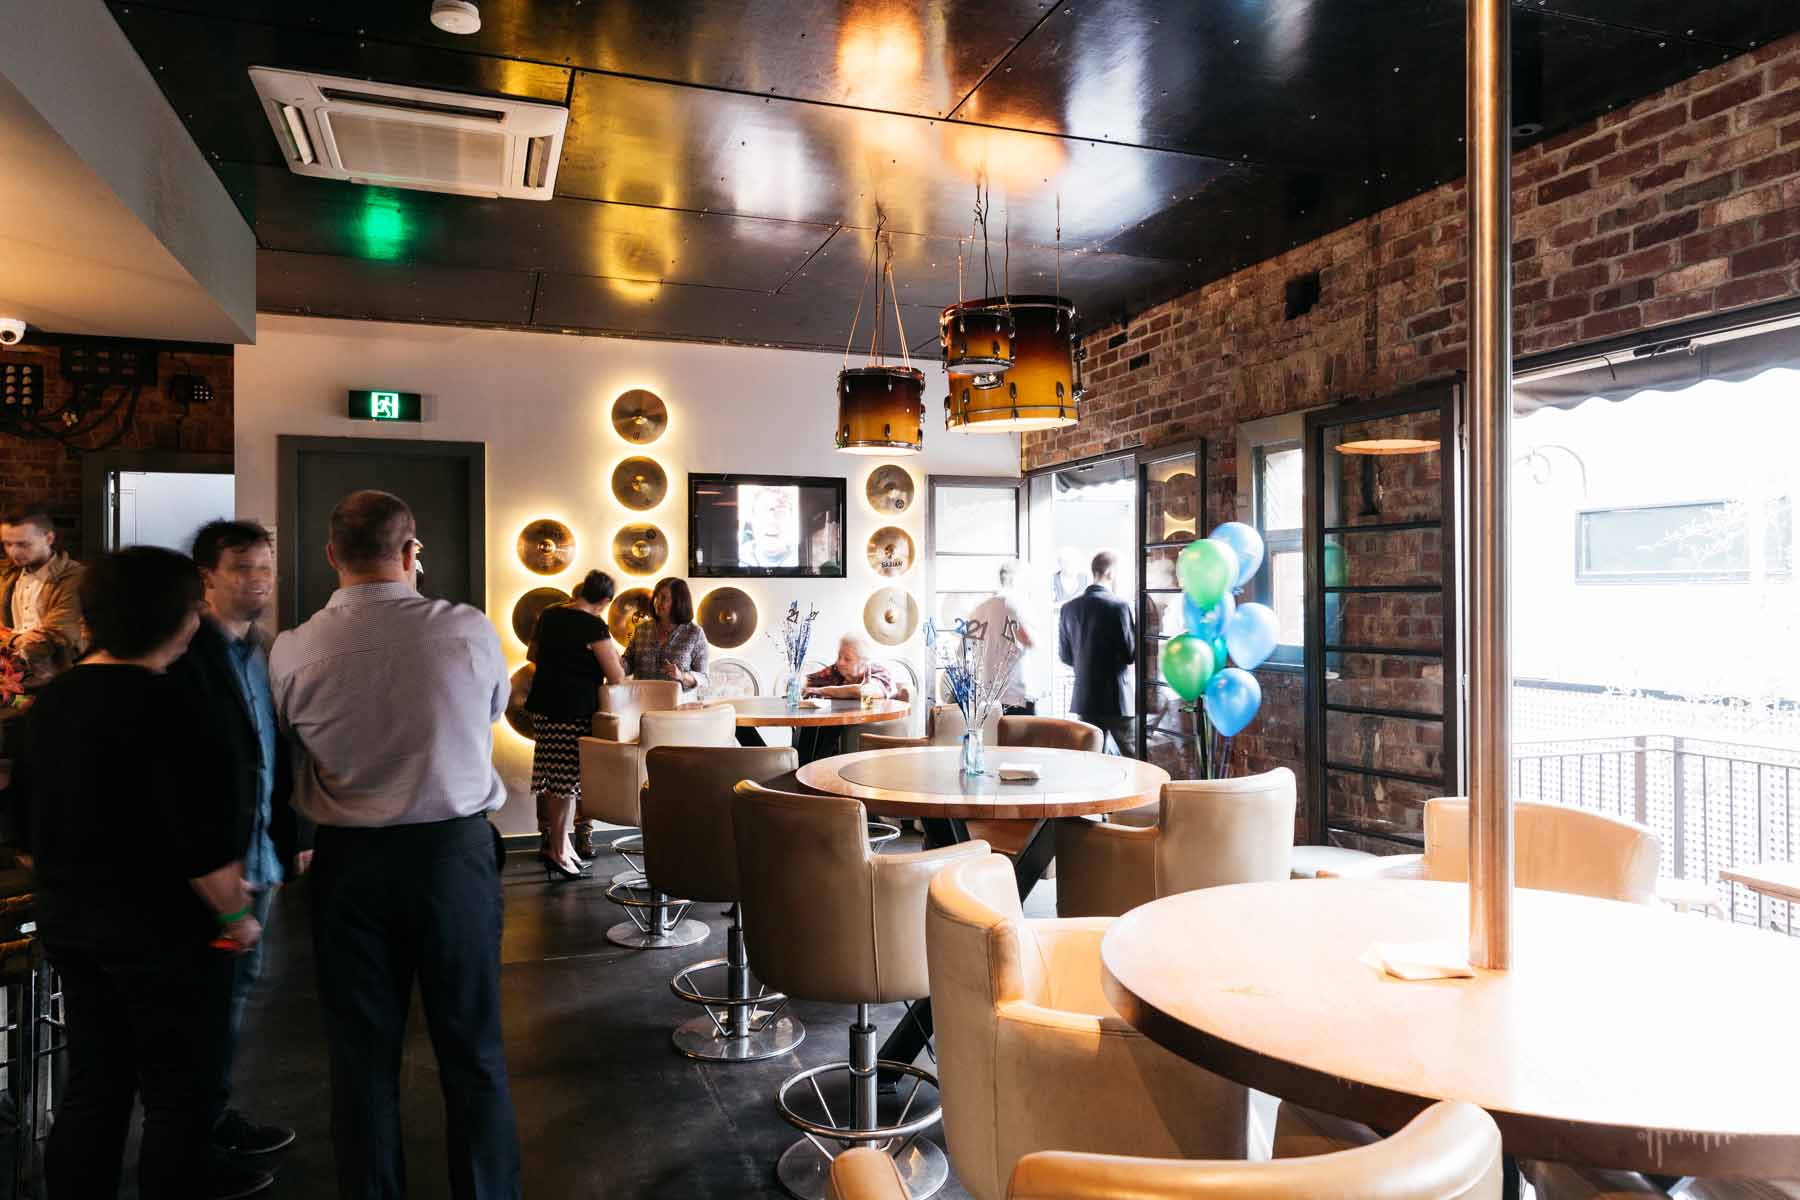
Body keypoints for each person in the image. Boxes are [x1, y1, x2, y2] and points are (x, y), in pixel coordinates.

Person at [269, 491, 519, 1200]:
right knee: (472, 1050)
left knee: (360, 1060)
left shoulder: (292, 649)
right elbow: (493, 709)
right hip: (452, 858)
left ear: (331, 555)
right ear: (412, 554)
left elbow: (287, 741)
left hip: (349, 865)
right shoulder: (467, 630)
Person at [22, 546, 268, 1199]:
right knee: (179, 1095)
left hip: (72, 926)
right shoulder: (176, 706)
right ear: (173, 617)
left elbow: (24, 832)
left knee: (95, 1084)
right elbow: (198, 846)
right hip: (165, 937)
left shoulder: (51, 702)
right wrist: (237, 916)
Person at [168, 520, 314, 1182]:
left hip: (261, 860)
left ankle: (212, 1116)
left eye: (265, 568)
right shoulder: (186, 655)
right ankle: (190, 1148)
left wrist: (293, 838)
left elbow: (273, 755)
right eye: (243, 568)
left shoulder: (262, 651)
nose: (259, 580)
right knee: (204, 1008)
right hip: (214, 867)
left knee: (233, 1001)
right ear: (208, 576)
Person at [523, 569, 624, 881]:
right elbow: (616, 675)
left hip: (543, 707)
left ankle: (561, 847)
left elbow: (533, 654)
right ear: (604, 601)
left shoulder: (549, 615)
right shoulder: (593, 624)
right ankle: (558, 851)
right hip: (573, 710)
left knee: (555, 782)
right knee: (566, 785)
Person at [1059, 550, 1137, 755]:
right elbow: (1130, 654)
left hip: (1086, 698)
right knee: (1133, 757)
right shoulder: (1119, 606)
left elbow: (1065, 656)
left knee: (1092, 759)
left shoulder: (1069, 608)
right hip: (1117, 698)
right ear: (1111, 573)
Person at [0, 507, 86, 690]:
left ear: (49, 539)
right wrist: (16, 639)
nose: (13, 552)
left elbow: (56, 635)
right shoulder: (5, 575)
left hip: (62, 681)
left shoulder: (75, 577)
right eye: (7, 544)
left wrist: (8, 640)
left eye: (23, 544)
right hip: (8, 682)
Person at [797, 634, 898, 761]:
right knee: (813, 718)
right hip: (837, 724)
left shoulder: (879, 673)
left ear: (863, 662)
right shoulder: (837, 670)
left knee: (830, 720)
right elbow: (808, 680)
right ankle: (805, 765)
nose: (840, 662)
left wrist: (821, 690)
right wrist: (797, 681)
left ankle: (816, 763)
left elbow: (864, 691)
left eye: (847, 659)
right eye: (839, 656)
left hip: (871, 729)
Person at [968, 560, 1039, 716]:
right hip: (1014, 692)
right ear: (1014, 580)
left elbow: (967, 649)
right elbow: (1029, 641)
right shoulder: (1013, 606)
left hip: (986, 694)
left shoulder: (978, 609)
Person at [623, 576, 709, 702]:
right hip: (641, 704)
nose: (658, 602)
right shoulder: (641, 629)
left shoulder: (694, 633)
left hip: (679, 706)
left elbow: (704, 679)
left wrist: (682, 676)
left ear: (678, 602)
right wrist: (617, 661)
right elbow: (628, 663)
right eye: (656, 597)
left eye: (664, 598)